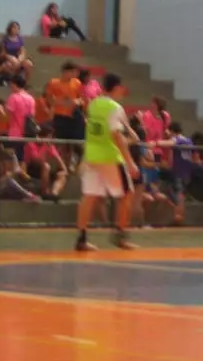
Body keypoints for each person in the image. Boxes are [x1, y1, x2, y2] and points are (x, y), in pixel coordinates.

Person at [75, 74, 139, 252]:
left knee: (88, 196)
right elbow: (116, 135)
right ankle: (120, 235)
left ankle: (82, 239)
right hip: (110, 157)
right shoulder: (115, 108)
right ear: (117, 88)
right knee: (127, 194)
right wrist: (130, 162)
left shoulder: (93, 104)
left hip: (91, 155)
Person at [45, 61, 84, 163]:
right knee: (60, 142)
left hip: (72, 117)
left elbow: (81, 99)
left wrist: (76, 102)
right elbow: (49, 99)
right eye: (73, 72)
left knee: (71, 143)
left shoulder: (77, 83)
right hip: (59, 116)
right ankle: (58, 163)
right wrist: (61, 102)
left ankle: (70, 163)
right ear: (66, 72)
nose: (76, 74)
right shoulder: (54, 83)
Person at [24, 125, 68, 200]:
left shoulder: (50, 146)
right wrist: (46, 148)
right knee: (46, 166)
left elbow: (59, 161)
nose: (51, 139)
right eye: (49, 137)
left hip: (45, 169)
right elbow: (37, 160)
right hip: (32, 169)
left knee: (62, 175)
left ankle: (54, 193)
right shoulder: (31, 144)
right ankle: (45, 193)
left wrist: (64, 171)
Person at [5, 75, 36, 158]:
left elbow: (9, 116)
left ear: (14, 84)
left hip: (15, 132)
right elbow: (32, 115)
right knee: (22, 157)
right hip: (27, 132)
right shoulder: (31, 98)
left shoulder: (13, 97)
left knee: (12, 157)